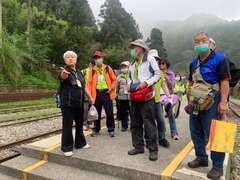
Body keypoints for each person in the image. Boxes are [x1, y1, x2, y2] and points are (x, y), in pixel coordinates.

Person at [186, 32, 230, 179]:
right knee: (196, 131)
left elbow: (224, 82)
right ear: (194, 44)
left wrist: (224, 102)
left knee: (216, 133)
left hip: (213, 101)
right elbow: (191, 83)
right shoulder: (193, 63)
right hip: (195, 102)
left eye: (203, 40)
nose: (200, 43)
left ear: (209, 42)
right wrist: (188, 103)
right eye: (196, 41)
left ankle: (217, 166)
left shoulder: (220, 59)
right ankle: (201, 158)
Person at [127, 39, 160, 161]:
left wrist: (146, 83)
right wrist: (130, 84)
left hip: (146, 97)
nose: (132, 50)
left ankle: (153, 149)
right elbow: (129, 78)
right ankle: (138, 146)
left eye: (134, 47)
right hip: (135, 96)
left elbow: (157, 75)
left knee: (149, 123)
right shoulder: (131, 64)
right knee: (135, 123)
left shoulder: (150, 59)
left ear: (141, 48)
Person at [58, 51, 92, 157]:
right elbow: (62, 77)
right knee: (67, 125)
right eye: (68, 57)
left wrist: (90, 97)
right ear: (65, 60)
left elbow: (84, 85)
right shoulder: (64, 71)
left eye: (72, 57)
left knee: (79, 124)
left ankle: (80, 143)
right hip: (68, 104)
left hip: (79, 102)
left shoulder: (78, 71)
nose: (70, 58)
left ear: (76, 59)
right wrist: (63, 75)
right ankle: (66, 147)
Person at [86, 50, 117, 137]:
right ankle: (96, 129)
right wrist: (90, 96)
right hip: (96, 93)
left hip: (107, 93)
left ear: (102, 58)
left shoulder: (108, 68)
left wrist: (111, 88)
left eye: (98, 58)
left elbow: (114, 79)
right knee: (96, 113)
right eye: (95, 58)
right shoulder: (92, 70)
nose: (97, 59)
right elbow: (89, 83)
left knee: (109, 112)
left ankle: (111, 129)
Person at [148, 49, 172, 148]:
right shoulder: (145, 72)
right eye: (153, 59)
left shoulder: (160, 73)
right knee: (149, 122)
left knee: (161, 120)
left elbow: (163, 85)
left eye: (157, 59)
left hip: (157, 100)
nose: (155, 61)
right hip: (147, 101)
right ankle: (150, 140)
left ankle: (161, 138)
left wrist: (169, 96)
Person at [159, 58, 179, 140]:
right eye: (160, 63)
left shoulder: (170, 73)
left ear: (166, 64)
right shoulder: (157, 73)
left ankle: (174, 133)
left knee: (170, 115)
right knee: (159, 116)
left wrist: (165, 76)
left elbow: (172, 84)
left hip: (168, 96)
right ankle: (161, 133)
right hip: (159, 96)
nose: (161, 65)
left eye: (162, 63)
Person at [116, 61, 131, 132]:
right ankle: (124, 126)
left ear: (128, 67)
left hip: (131, 97)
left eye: (125, 66)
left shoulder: (132, 75)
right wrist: (117, 94)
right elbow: (117, 87)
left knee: (132, 112)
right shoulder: (119, 77)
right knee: (123, 112)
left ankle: (133, 126)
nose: (123, 68)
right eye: (122, 66)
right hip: (122, 97)